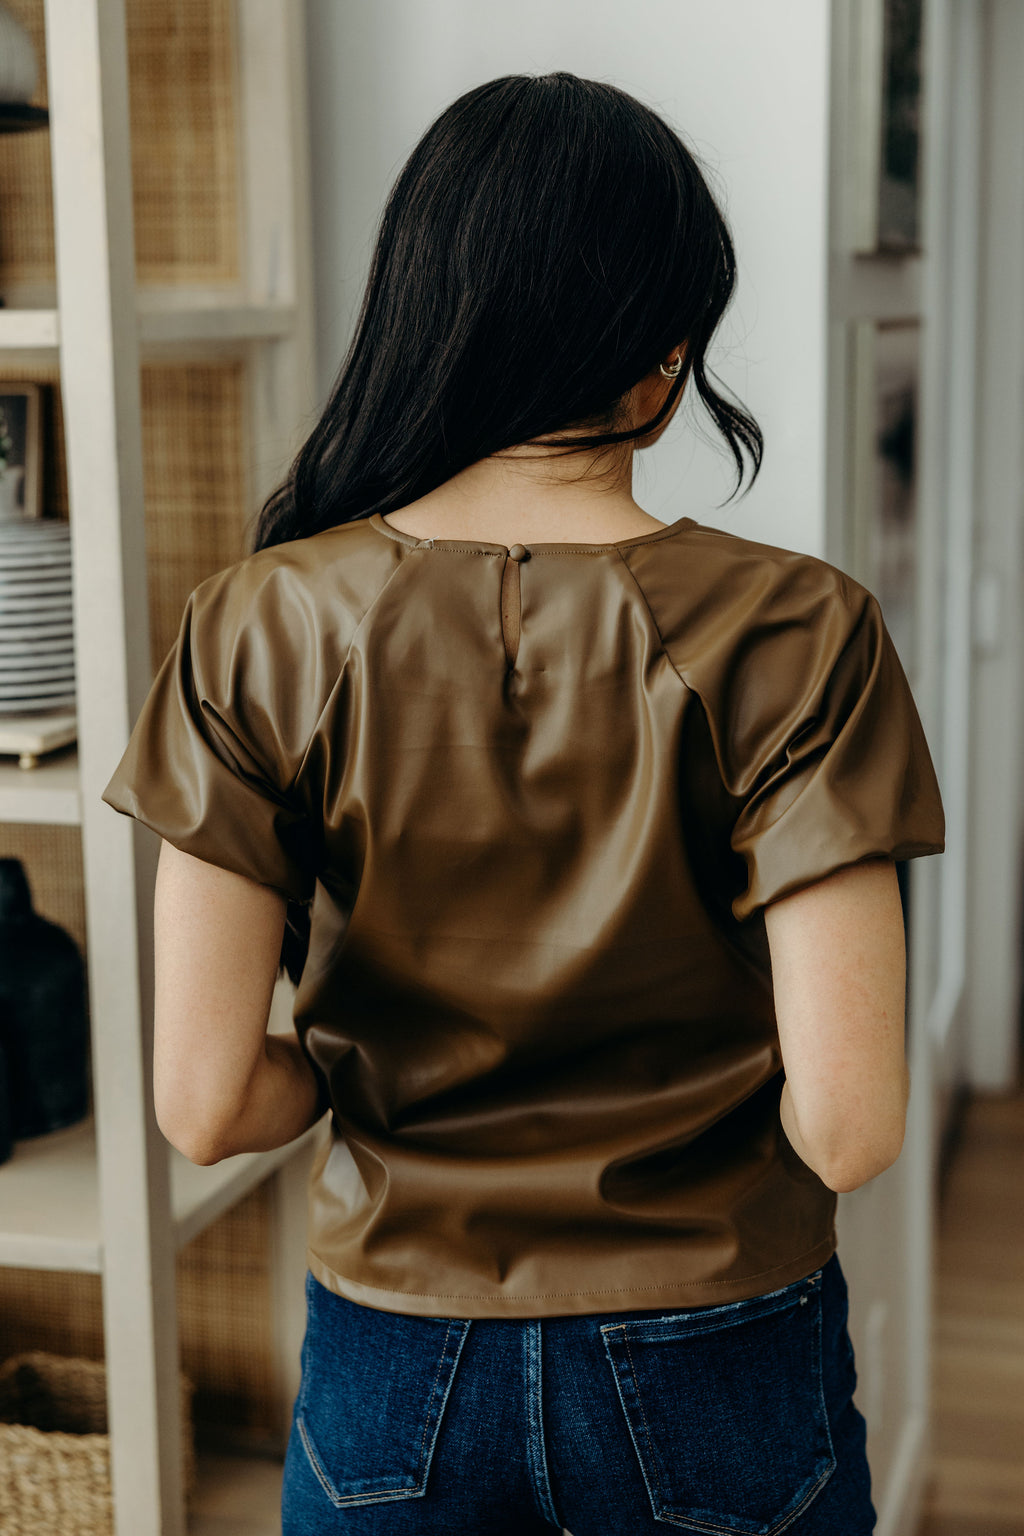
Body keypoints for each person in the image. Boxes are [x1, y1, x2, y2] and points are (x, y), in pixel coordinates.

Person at [101, 71, 945, 1536]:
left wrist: (364, 1085)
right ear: (663, 357)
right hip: (719, 1347)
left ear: (421, 316)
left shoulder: (262, 624)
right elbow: (851, 1125)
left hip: (393, 1368)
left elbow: (204, 1100)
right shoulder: (799, 629)